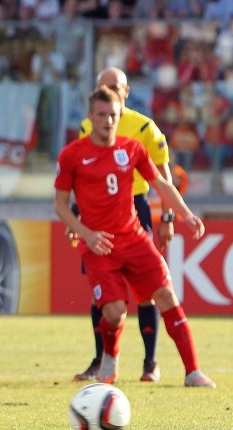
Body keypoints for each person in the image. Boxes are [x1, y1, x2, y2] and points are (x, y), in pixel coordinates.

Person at [54, 85, 215, 389]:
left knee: (166, 295)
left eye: (113, 114)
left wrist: (185, 213)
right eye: (101, 115)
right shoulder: (73, 155)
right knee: (114, 313)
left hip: (134, 237)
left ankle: (193, 371)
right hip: (99, 245)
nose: (108, 121)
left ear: (119, 114)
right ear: (90, 117)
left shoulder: (132, 148)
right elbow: (60, 204)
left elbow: (162, 184)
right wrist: (86, 233)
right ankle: (110, 358)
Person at [72, 66, 176, 383]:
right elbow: (80, 177)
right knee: (100, 295)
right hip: (96, 216)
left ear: (127, 92)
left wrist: (168, 217)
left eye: (115, 86)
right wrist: (75, 219)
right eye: (104, 86)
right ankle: (99, 360)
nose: (110, 90)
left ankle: (150, 362)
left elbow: (163, 175)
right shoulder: (87, 127)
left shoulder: (144, 127)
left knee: (146, 291)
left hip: (135, 210)